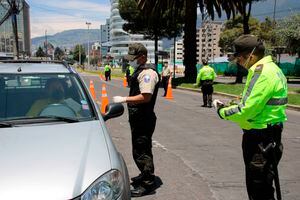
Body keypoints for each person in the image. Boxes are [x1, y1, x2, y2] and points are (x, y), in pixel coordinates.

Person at [213, 34, 288, 200]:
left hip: (260, 140)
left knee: (258, 190)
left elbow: (246, 110)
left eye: (239, 58)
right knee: (264, 186)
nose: (238, 62)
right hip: (271, 135)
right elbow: (257, 101)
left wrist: (222, 111)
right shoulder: (274, 69)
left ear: (251, 56)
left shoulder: (261, 73)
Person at [112, 43, 160, 197]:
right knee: (139, 148)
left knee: (142, 150)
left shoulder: (148, 74)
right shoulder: (140, 70)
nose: (132, 61)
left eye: (134, 58)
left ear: (143, 57)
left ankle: (147, 184)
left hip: (143, 117)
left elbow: (145, 97)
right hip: (138, 117)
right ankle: (144, 174)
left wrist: (124, 99)